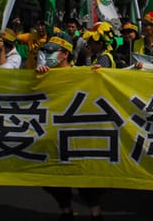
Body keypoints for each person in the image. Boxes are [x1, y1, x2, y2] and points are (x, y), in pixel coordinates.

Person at [36, 33, 104, 221]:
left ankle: (95, 214)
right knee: (53, 177)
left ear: (65, 54)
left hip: (77, 136)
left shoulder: (82, 73)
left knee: (83, 176)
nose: (47, 56)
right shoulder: (44, 74)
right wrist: (39, 78)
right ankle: (66, 210)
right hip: (52, 134)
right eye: (46, 52)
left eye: (52, 52)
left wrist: (98, 75)